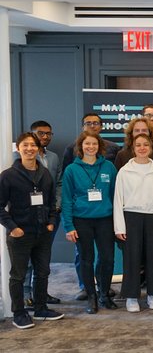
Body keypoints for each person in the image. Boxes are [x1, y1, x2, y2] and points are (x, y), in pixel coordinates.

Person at [1, 133, 63, 329]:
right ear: (18, 148)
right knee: (18, 275)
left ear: (38, 149)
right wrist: (13, 228)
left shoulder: (44, 173)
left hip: (43, 232)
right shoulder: (8, 175)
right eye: (25, 145)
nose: (29, 148)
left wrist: (51, 222)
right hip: (20, 234)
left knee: (43, 272)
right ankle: (18, 313)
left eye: (33, 145)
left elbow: (51, 201)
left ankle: (41, 308)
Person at [61, 132, 118, 314]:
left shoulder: (109, 167)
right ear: (80, 146)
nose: (90, 147)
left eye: (94, 144)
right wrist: (69, 226)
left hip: (105, 219)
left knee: (107, 258)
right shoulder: (71, 170)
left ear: (99, 146)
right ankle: (91, 297)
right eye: (87, 144)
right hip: (82, 220)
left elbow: (115, 196)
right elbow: (67, 200)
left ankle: (104, 294)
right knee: (87, 259)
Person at [113, 133, 153, 313]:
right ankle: (131, 296)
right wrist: (119, 227)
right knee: (132, 258)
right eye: (138, 145)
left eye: (146, 144)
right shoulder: (124, 171)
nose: (142, 148)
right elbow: (118, 200)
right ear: (133, 148)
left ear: (151, 147)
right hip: (131, 217)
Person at [15, 121, 62, 308]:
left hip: (49, 215)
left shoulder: (54, 157)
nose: (45, 137)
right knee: (25, 259)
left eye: (49, 134)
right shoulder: (18, 157)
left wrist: (56, 207)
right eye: (41, 133)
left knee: (43, 258)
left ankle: (41, 293)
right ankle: (26, 294)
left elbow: (58, 183)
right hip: (27, 216)